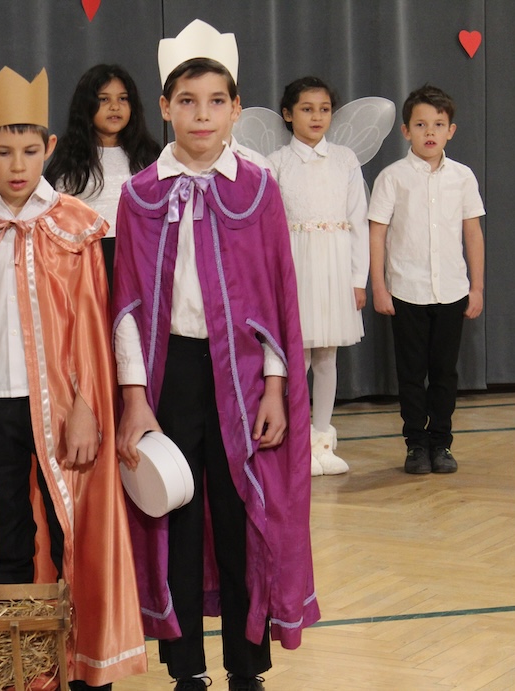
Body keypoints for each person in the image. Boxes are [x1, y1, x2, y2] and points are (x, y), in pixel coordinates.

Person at [113, 19, 320, 691]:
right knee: (174, 515)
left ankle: (245, 666)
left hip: (242, 377)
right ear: (165, 106)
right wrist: (135, 397)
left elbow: (278, 295)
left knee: (240, 518)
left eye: (215, 101)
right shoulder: (139, 195)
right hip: (169, 374)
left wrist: (274, 385)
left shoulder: (258, 189)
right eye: (186, 101)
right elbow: (126, 305)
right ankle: (186, 669)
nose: (201, 115)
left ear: (235, 108)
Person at [0, 66, 147, 691]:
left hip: (59, 408)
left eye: (29, 151)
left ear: (49, 147)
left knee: (69, 530)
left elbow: (91, 326)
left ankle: (82, 665)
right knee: (6, 538)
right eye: (3, 151)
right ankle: (16, 668)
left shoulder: (76, 227)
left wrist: (85, 407)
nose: (17, 165)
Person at [368, 84, 485, 475]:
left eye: (438, 124)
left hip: (451, 290)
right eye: (420, 124)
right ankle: (415, 444)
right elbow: (377, 234)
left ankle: (442, 444)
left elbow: (473, 233)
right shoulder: (392, 177)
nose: (429, 132)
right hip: (407, 290)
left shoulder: (463, 177)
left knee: (445, 373)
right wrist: (379, 287)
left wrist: (477, 287)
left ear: (451, 130)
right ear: (406, 131)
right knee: (411, 373)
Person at [268, 76, 369, 476]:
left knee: (328, 355)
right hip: (295, 266)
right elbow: (269, 225)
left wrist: (357, 279)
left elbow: (358, 220)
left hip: (334, 267)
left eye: (324, 109)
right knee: (298, 357)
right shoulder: (276, 162)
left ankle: (322, 440)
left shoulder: (345, 159)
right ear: (288, 114)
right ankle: (296, 443)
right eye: (307, 109)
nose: (316, 117)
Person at [45, 63, 161, 281]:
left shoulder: (148, 156)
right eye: (104, 99)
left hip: (138, 258)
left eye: (123, 99)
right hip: (85, 261)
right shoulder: (71, 158)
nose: (115, 107)